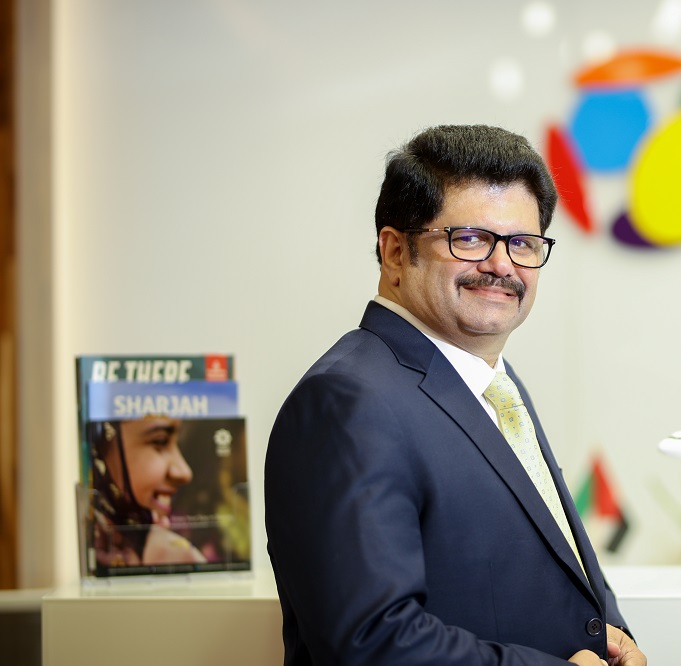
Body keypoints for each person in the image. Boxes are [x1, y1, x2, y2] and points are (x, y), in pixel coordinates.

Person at [264, 125, 646, 665]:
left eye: (523, 244)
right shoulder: (346, 401)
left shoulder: (493, 384)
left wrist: (614, 637)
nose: (502, 266)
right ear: (395, 252)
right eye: (469, 239)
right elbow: (370, 641)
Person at [90, 416, 207, 571]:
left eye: (177, 443)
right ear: (100, 448)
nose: (184, 472)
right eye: (160, 441)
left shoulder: (178, 555)